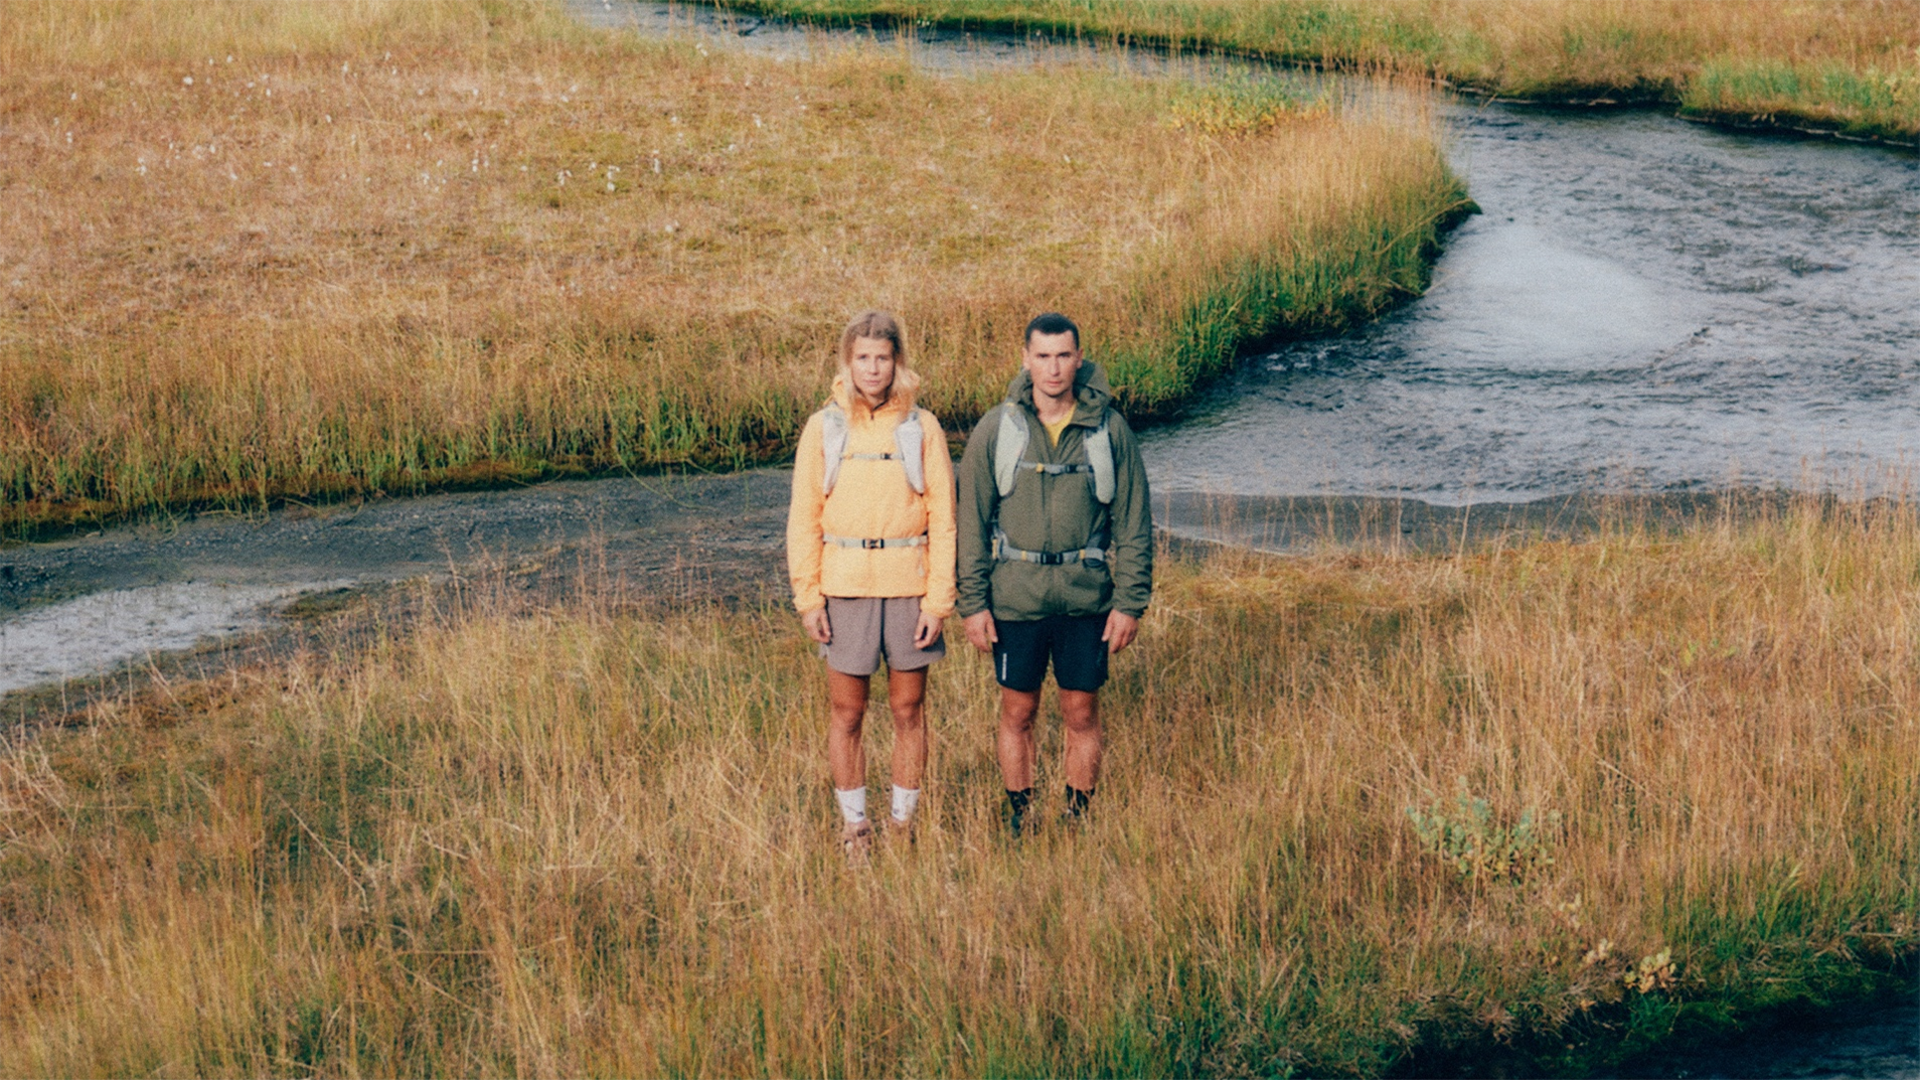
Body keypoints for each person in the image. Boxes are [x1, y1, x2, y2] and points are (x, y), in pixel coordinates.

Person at [956, 312, 1152, 835]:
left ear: (1079, 358)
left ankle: (1077, 817)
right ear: (1025, 359)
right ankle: (1020, 815)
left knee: (1081, 713)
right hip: (1015, 600)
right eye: (1042, 356)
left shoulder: (1109, 429)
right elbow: (970, 522)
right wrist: (973, 603)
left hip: (1086, 601)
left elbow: (1134, 521)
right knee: (1017, 713)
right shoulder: (997, 429)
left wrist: (1129, 603)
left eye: (1064, 355)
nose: (1053, 368)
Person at [788, 311, 957, 861]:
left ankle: (903, 825)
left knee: (908, 710)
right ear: (847, 362)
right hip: (845, 589)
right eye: (862, 357)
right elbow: (803, 518)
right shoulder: (823, 427)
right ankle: (855, 828)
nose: (873, 368)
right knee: (847, 713)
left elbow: (944, 518)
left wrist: (939, 600)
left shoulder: (922, 426)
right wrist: (808, 598)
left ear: (897, 361)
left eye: (882, 357)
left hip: (909, 588)